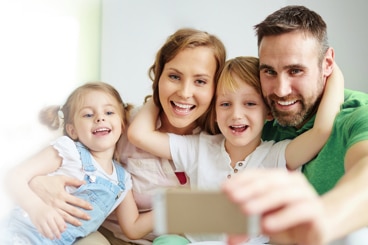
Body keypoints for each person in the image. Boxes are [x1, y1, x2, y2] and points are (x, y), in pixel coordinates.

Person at [26, 28, 227, 245]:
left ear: (216, 87)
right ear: (159, 77)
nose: (185, 92)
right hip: (108, 235)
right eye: (174, 76)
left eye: (200, 81)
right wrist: (39, 182)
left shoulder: (219, 140)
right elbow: (49, 157)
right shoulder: (119, 122)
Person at [127, 56, 343, 244]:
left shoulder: (277, 155)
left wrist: (333, 72)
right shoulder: (199, 147)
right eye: (225, 104)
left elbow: (321, 131)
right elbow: (139, 135)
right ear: (214, 111)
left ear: (269, 112)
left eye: (250, 104)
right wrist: (162, 93)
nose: (236, 115)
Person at [221, 5, 368, 245]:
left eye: (296, 70)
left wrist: (324, 217)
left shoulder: (358, 115)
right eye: (269, 71)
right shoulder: (251, 120)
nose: (281, 90)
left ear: (327, 63)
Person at [0, 82, 153, 244]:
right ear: (72, 130)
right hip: (20, 234)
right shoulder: (69, 151)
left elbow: (133, 228)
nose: (100, 118)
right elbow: (14, 176)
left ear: (122, 124)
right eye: (88, 115)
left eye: (109, 112)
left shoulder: (122, 181)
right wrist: (36, 207)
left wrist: (173, 208)